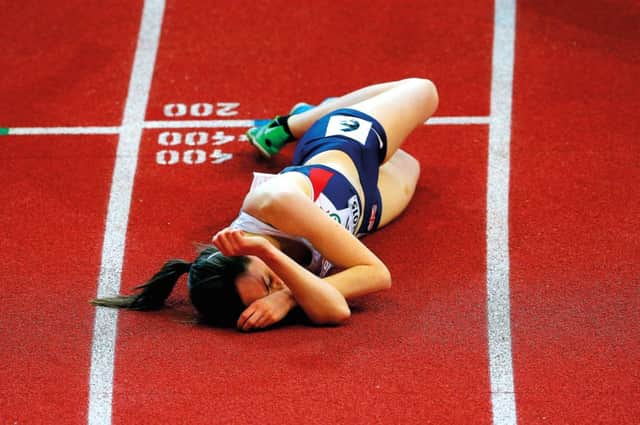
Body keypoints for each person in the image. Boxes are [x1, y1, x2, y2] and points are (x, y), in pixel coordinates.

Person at [91, 78, 439, 331]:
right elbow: (351, 299)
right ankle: (319, 115)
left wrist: (272, 262)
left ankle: (293, 123)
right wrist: (286, 298)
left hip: (344, 147)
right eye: (271, 289)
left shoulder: (275, 202)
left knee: (425, 91)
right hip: (365, 207)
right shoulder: (286, 294)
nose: (282, 279)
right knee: (412, 166)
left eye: (268, 277)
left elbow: (374, 273)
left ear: (244, 249)